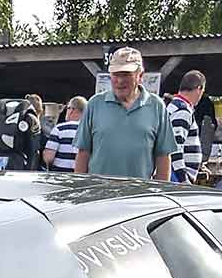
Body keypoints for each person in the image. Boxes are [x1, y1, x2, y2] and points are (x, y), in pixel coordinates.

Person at [74, 48, 176, 180]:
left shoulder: (156, 106)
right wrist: (79, 190)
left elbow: (163, 156)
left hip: (138, 196)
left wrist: (160, 194)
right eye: (116, 74)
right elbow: (83, 153)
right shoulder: (95, 104)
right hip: (98, 195)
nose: (120, 81)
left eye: (126, 74)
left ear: (140, 75)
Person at [168, 71, 205, 183]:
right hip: (176, 177)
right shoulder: (182, 110)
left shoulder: (174, 106)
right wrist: (183, 179)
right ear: (199, 89)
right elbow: (175, 147)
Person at [42, 96, 86, 171]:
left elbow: (49, 158)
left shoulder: (59, 129)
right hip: (81, 176)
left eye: (67, 108)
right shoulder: (88, 130)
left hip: (60, 176)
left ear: (72, 110)